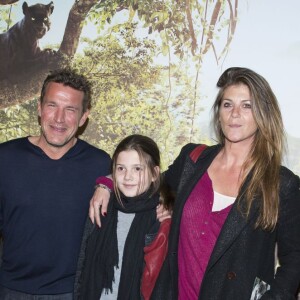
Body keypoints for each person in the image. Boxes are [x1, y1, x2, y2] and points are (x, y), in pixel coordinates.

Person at [90, 67, 300, 299]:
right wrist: (106, 184)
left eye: (247, 105)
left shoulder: (281, 184)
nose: (235, 114)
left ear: (263, 114)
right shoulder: (192, 160)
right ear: (218, 112)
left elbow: (295, 258)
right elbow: (145, 184)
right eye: (227, 104)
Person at [0, 69, 111, 299]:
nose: (59, 118)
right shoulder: (6, 157)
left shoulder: (99, 164)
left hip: (70, 292)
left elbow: (138, 190)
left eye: (70, 109)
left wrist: (107, 182)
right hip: (9, 289)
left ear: (83, 117)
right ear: (40, 108)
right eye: (52, 106)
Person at [74, 134, 172, 300]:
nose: (128, 176)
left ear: (155, 173)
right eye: (121, 168)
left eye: (137, 169)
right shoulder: (101, 205)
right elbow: (82, 267)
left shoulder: (161, 216)